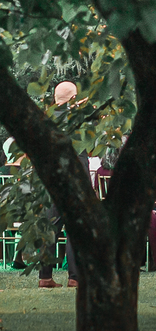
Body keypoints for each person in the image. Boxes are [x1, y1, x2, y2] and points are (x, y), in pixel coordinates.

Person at [37, 81, 82, 289]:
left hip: (50, 183)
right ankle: (75, 277)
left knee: (50, 229)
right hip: (72, 182)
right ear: (72, 98)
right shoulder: (77, 120)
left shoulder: (44, 120)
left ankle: (45, 277)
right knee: (74, 230)